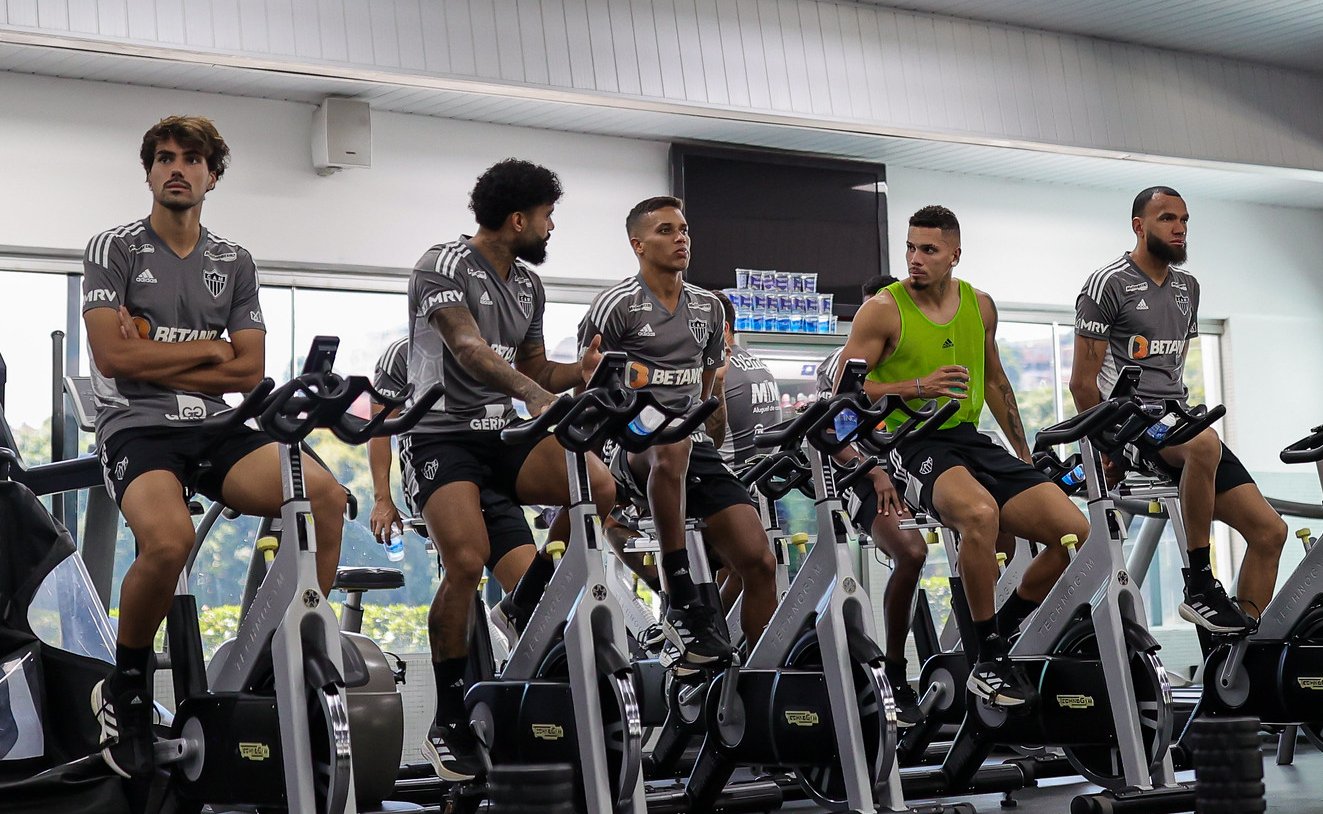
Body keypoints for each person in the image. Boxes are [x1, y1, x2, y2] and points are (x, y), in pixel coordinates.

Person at [82, 116, 349, 779]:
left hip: (216, 424)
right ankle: (129, 685)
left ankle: (288, 655)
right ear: (148, 172)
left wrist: (159, 350)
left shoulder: (234, 261)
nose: (178, 168)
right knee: (168, 543)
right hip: (138, 426)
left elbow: (248, 372)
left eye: (193, 159)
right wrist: (208, 348)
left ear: (212, 175)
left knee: (326, 497)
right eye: (165, 158)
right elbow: (112, 359)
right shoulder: (112, 248)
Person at [403, 159, 615, 781]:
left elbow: (537, 367)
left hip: (508, 436)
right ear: (519, 218)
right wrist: (533, 392)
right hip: (443, 435)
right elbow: (467, 349)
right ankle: (446, 719)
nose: (552, 229)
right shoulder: (441, 265)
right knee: (466, 562)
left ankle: (523, 600)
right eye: (548, 217)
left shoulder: (529, 284)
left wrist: (578, 374)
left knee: (596, 485)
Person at [836, 205, 1089, 709]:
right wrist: (917, 386)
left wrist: (1024, 453)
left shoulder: (981, 305)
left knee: (1075, 536)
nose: (915, 259)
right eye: (910, 248)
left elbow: (995, 381)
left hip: (970, 438)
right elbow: (846, 388)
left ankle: (1001, 633)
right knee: (980, 515)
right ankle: (987, 658)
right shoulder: (883, 309)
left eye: (928, 250)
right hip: (912, 441)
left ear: (955, 254)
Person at [1071, 186, 1286, 634]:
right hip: (1128, 419)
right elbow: (1081, 382)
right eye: (1168, 219)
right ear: (1139, 226)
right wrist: (1106, 447)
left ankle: (1235, 650)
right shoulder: (1107, 283)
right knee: (1203, 444)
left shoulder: (1189, 288)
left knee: (1270, 533)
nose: (1180, 229)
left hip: (1176, 419)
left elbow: (1172, 368)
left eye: (1185, 220)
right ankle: (1199, 583)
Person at [578, 196, 778, 662]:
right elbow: (586, 388)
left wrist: (717, 450)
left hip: (690, 445)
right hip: (630, 443)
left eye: (684, 229)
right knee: (669, 446)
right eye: (666, 230)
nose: (680, 238)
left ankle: (754, 679)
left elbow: (706, 397)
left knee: (759, 561)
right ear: (639, 244)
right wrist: (595, 475)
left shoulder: (709, 308)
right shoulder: (617, 305)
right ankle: (680, 593)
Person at [814, 275, 930, 725]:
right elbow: (830, 434)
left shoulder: (903, 364)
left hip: (907, 463)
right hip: (861, 475)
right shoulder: (840, 366)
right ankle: (897, 671)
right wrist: (874, 470)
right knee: (912, 552)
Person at [367, 336, 538, 619]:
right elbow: (379, 429)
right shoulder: (400, 354)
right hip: (434, 467)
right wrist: (382, 498)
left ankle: (510, 626)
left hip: (488, 470)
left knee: (530, 596)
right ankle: (456, 659)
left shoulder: (487, 352)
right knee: (466, 568)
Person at [710, 290, 783, 469]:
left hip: (728, 477)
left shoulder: (717, 370)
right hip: (761, 477)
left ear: (724, 328)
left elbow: (706, 439)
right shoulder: (761, 365)